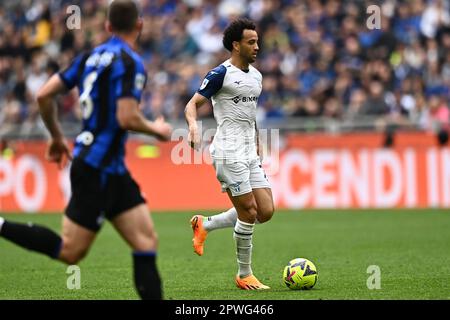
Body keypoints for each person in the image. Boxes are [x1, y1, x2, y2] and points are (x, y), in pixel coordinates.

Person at [0, 0, 172, 300]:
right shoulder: (131, 62)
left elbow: (43, 95)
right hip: (99, 169)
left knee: (146, 241)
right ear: (140, 25)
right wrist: (157, 130)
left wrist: (56, 137)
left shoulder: (89, 57)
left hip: (104, 166)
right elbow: (127, 117)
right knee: (71, 251)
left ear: (107, 27)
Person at [184, 18, 275, 290]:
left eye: (257, 41)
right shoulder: (219, 74)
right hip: (227, 151)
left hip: (248, 151)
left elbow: (249, 115)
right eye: (251, 42)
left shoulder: (256, 77)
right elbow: (192, 104)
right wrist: (192, 127)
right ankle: (244, 274)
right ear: (236, 45)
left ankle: (205, 224)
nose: (257, 46)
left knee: (266, 211)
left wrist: (257, 140)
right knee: (248, 212)